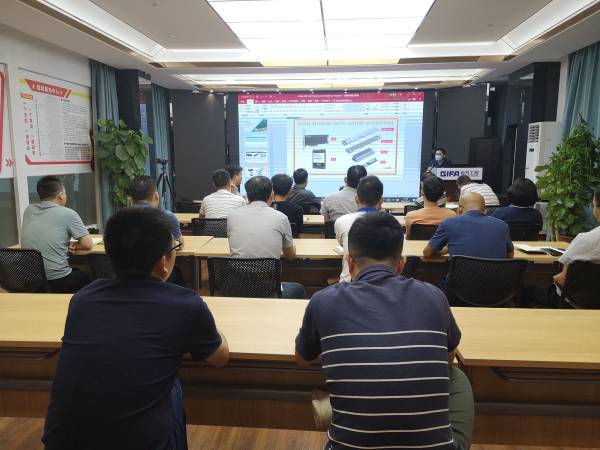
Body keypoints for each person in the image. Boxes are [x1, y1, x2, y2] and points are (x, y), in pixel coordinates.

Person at [42, 207, 229, 450]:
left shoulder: (82, 299)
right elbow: (220, 357)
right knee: (171, 383)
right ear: (163, 262)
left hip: (61, 443)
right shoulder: (184, 304)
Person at [295, 212, 474, 450]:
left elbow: (302, 359)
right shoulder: (434, 296)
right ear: (401, 263)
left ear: (349, 262)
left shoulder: (323, 300)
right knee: (457, 376)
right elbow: (447, 358)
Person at [227, 176, 306, 299]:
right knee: (298, 289)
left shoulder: (232, 216)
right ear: (271, 194)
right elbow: (290, 256)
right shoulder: (280, 217)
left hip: (237, 284)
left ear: (247, 196)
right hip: (267, 287)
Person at [523, 186, 600, 308]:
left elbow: (562, 281)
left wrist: (556, 278)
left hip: (572, 303)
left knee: (525, 291)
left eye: (593, 204)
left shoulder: (586, 240)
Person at [21, 176, 93, 293]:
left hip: (31, 282)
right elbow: (88, 244)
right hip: (57, 281)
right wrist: (75, 246)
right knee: (86, 277)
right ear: (60, 195)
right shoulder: (69, 214)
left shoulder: (29, 210)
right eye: (65, 193)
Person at [424, 192, 513, 259]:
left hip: (460, 278)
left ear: (459, 209)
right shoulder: (503, 225)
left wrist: (442, 251)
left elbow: (427, 253)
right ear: (485, 210)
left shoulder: (449, 223)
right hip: (496, 278)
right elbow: (510, 255)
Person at [335, 175, 384, 282]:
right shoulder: (392, 224)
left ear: (356, 198)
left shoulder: (342, 221)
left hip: (348, 283)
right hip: (382, 284)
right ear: (381, 200)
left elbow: (341, 243)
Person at [127, 175, 183, 241]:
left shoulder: (120, 220)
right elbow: (179, 243)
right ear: (156, 196)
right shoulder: (168, 217)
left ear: (130, 200)